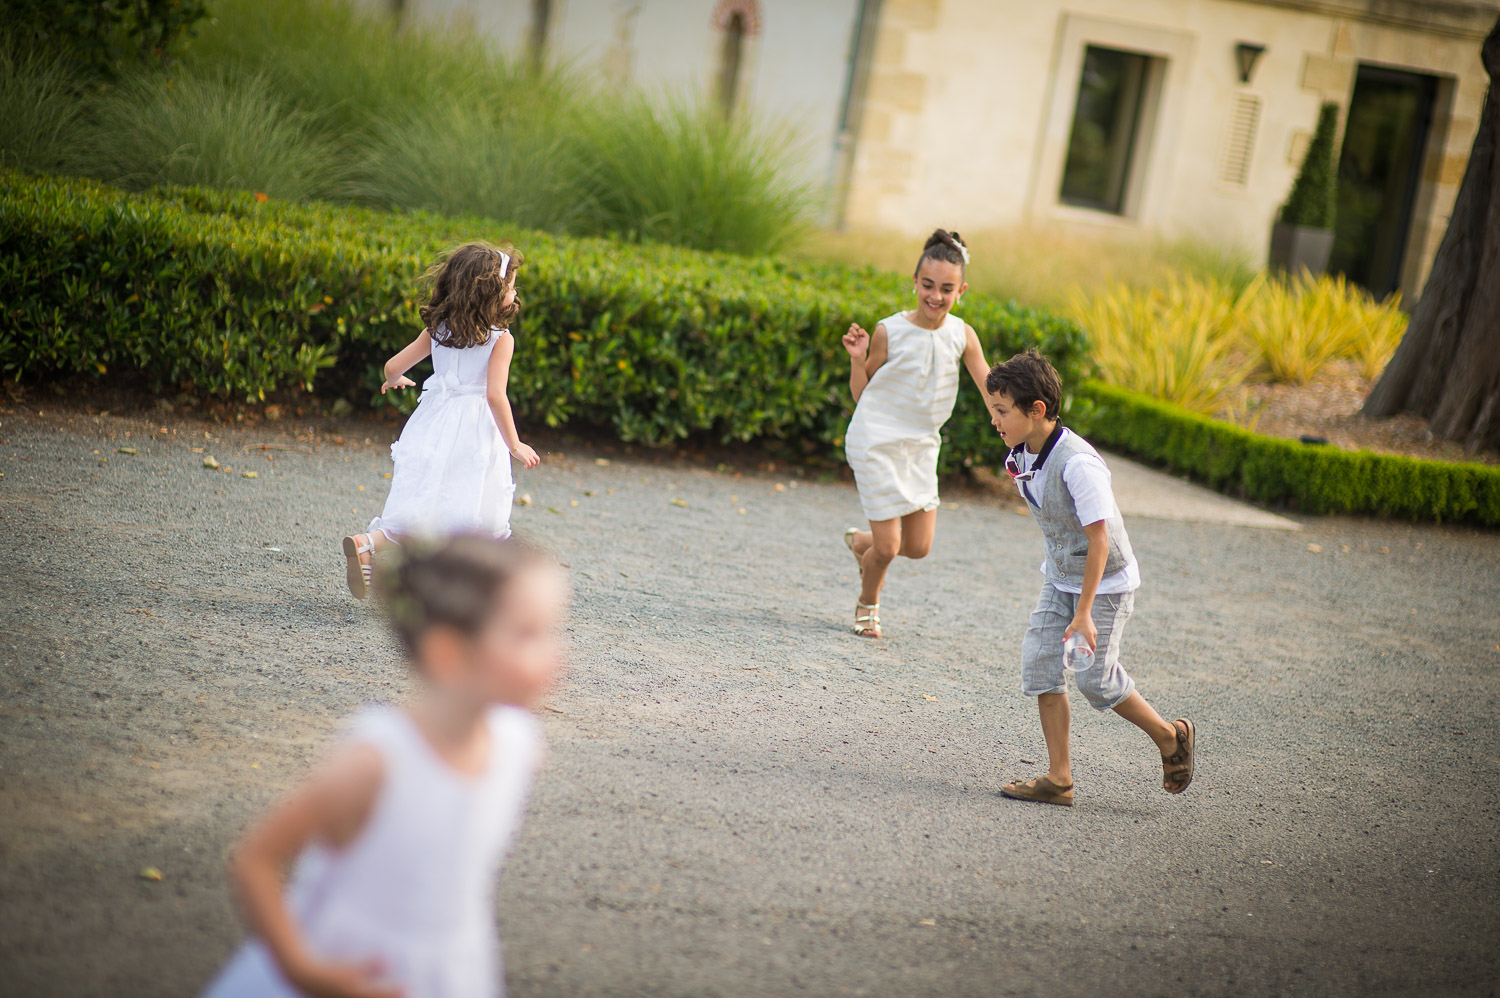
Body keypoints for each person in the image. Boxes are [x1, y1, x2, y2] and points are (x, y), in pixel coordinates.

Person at [202, 534, 567, 998]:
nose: (557, 655)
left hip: (449, 971)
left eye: (554, 630)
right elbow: (257, 859)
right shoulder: (377, 764)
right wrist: (300, 969)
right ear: (449, 653)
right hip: (349, 968)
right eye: (529, 634)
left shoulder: (518, 743)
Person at [985, 350, 1194, 806]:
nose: (994, 420)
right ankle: (1060, 780)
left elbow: (1099, 541)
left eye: (1001, 412)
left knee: (1094, 680)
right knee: (1041, 665)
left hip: (1105, 584)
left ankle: (1169, 735)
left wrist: (1084, 615)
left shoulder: (1079, 463)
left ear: (1036, 411)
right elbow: (999, 396)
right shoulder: (1024, 448)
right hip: (1061, 576)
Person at [342, 242, 542, 600]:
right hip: (475, 431)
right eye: (511, 286)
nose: (515, 292)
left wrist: (393, 380)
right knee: (471, 502)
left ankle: (367, 543)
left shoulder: (439, 328)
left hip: (433, 422)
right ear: (490, 294)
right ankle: (474, 589)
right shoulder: (501, 339)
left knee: (426, 499)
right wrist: (514, 443)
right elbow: (496, 395)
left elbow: (392, 367)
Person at [840, 229, 995, 639]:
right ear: (914, 282)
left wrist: (1012, 420)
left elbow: (989, 386)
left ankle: (860, 542)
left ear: (961, 290)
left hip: (922, 446)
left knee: (918, 547)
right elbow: (863, 396)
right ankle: (868, 604)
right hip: (875, 440)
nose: (935, 296)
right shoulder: (888, 330)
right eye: (927, 285)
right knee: (889, 548)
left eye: (946, 289)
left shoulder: (963, 335)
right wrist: (858, 361)